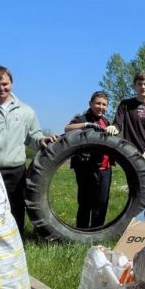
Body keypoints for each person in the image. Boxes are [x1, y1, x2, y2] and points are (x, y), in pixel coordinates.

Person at [0, 65, 57, 232]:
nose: (1, 88)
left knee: (16, 209)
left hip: (16, 170)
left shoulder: (25, 111)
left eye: (5, 84)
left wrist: (42, 140)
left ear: (12, 84)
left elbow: (33, 136)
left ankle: (16, 246)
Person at [109, 71, 145, 194]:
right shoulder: (126, 105)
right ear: (134, 86)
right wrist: (114, 128)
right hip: (130, 154)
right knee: (134, 190)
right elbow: (118, 124)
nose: (143, 87)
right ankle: (134, 214)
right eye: (139, 84)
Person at [64, 91, 113, 228]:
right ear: (90, 103)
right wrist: (86, 125)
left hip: (105, 167)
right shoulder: (81, 119)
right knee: (86, 201)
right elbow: (67, 129)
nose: (100, 107)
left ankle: (97, 231)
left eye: (104, 104)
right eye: (98, 103)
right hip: (85, 166)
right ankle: (82, 231)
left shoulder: (107, 121)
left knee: (102, 202)